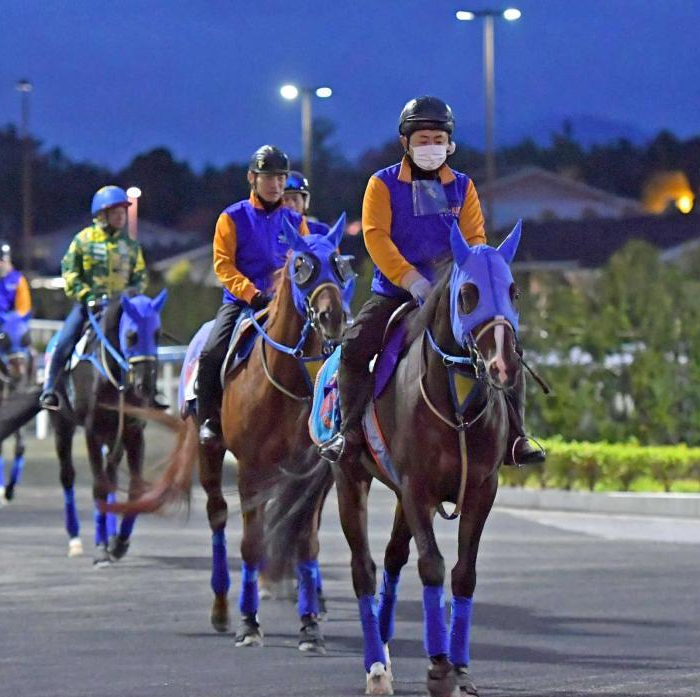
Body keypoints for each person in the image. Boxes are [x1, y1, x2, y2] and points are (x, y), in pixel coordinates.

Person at [318, 96, 544, 466]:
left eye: (438, 139)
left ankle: (515, 438)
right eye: (422, 140)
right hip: (395, 293)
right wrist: (411, 280)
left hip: (453, 296)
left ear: (449, 144)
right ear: (405, 143)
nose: (431, 147)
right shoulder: (382, 184)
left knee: (505, 348)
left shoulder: (463, 186)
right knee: (355, 348)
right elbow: (376, 238)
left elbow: (475, 241)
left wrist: (463, 285)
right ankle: (350, 434)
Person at [195, 145, 309, 447]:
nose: (277, 185)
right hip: (241, 304)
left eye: (282, 179)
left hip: (287, 304)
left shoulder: (296, 222)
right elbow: (223, 265)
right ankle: (210, 420)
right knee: (211, 354)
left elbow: (306, 263)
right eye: (269, 178)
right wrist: (251, 294)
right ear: (252, 178)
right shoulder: (231, 217)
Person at [39, 186, 148, 410]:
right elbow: (69, 272)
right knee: (64, 342)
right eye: (116, 212)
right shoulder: (83, 240)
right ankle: (50, 389)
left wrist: (134, 291)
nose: (121, 216)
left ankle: (148, 391)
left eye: (123, 212)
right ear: (102, 214)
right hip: (89, 307)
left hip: (122, 308)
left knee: (146, 337)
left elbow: (140, 275)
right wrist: (86, 295)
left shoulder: (131, 245)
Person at [282, 170, 329, 236]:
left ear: (305, 202)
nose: (291, 205)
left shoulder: (320, 231)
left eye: (295, 199)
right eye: (286, 200)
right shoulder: (269, 230)